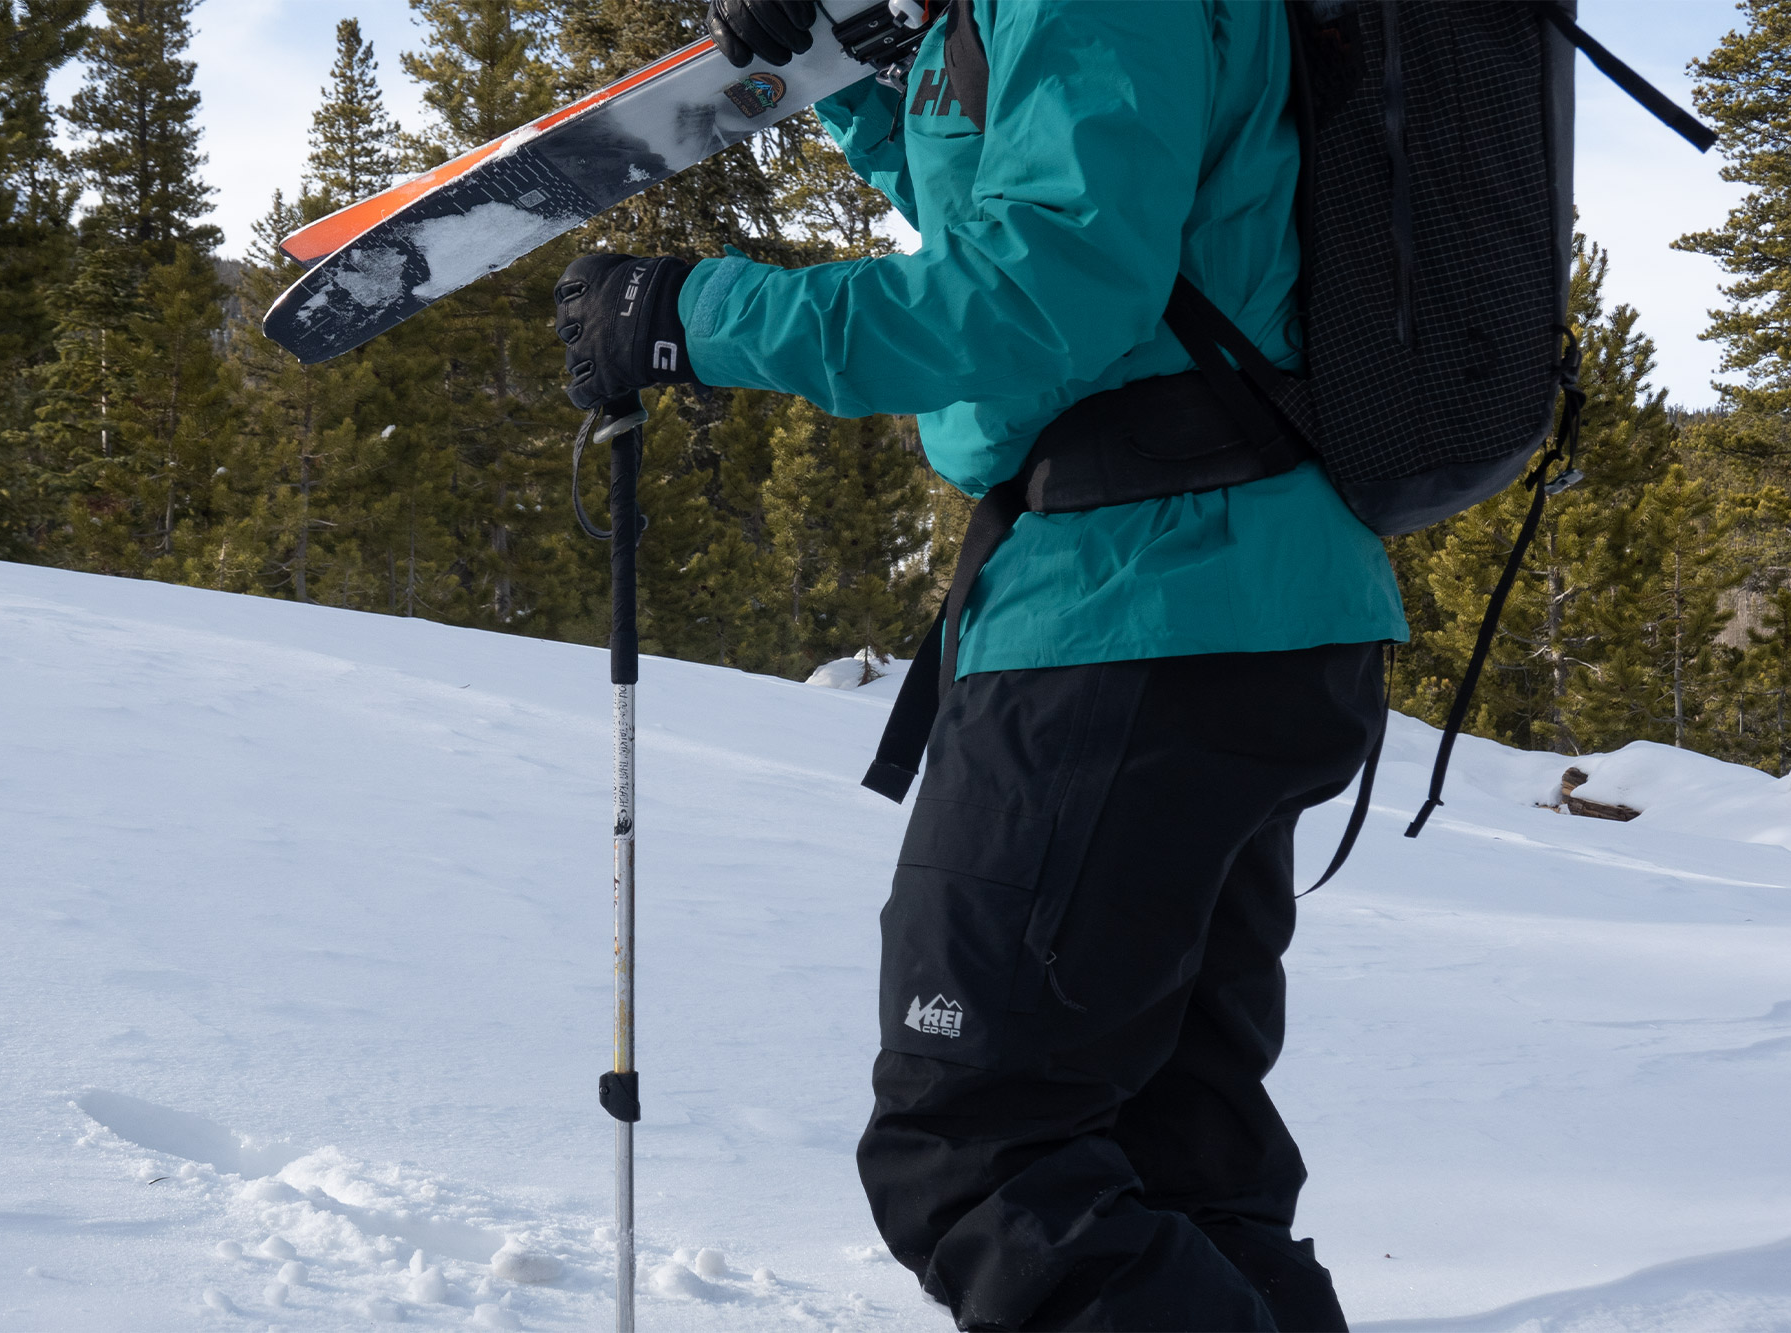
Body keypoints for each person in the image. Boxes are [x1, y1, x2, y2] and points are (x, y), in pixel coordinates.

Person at [555, 2, 1406, 1327]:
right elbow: (1046, 204)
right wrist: (846, 86)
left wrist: (701, 314)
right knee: (1176, 1165)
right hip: (1234, 607)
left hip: (1136, 610)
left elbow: (1041, 288)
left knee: (980, 1153)